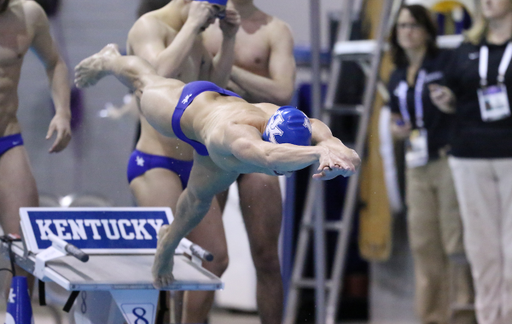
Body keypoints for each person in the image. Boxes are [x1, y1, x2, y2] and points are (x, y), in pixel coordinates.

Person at [74, 42, 360, 288]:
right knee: (146, 83)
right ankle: (110, 59)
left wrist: (340, 152)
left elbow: (332, 140)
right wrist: (316, 155)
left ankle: (167, 242)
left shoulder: (293, 121)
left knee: (196, 202)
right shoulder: (240, 138)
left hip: (222, 140)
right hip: (190, 108)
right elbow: (269, 157)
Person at [125, 0, 239, 324]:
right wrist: (192, 26)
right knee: (171, 254)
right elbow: (155, 79)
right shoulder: (149, 27)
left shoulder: (197, 38)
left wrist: (229, 38)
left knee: (215, 256)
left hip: (191, 166)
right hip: (154, 163)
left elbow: (215, 88)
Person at [202, 1, 295, 324]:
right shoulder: (200, 22)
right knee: (206, 257)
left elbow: (283, 91)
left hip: (257, 149)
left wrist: (225, 72)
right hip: (212, 147)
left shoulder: (275, 30)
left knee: (267, 255)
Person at [388, 5, 476, 324]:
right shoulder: (396, 74)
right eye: (401, 26)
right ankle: (431, 322)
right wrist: (398, 128)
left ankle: (464, 321)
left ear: (426, 30)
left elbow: (462, 104)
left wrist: (450, 103)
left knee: (455, 242)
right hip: (416, 166)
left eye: (413, 25)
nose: (407, 31)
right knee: (424, 245)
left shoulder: (444, 65)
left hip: (446, 160)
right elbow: (398, 117)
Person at [429, 1, 512, 324]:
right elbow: (452, 93)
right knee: (482, 250)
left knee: (511, 249)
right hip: (469, 154)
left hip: (510, 154)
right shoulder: (466, 46)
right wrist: (443, 98)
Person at [0, 0, 71, 284]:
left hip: (7, 139)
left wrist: (62, 112)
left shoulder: (29, 14)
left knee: (25, 246)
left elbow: (55, 63)